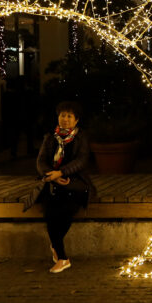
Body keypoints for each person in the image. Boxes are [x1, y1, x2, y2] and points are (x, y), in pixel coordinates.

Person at [32, 101, 96, 273]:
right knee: (50, 213)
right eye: (62, 115)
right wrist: (50, 175)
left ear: (76, 120)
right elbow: (41, 162)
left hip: (76, 184)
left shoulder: (81, 138)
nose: (65, 119)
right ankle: (63, 258)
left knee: (66, 211)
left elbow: (81, 161)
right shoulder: (50, 138)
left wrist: (61, 173)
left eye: (69, 116)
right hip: (51, 182)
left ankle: (59, 253)